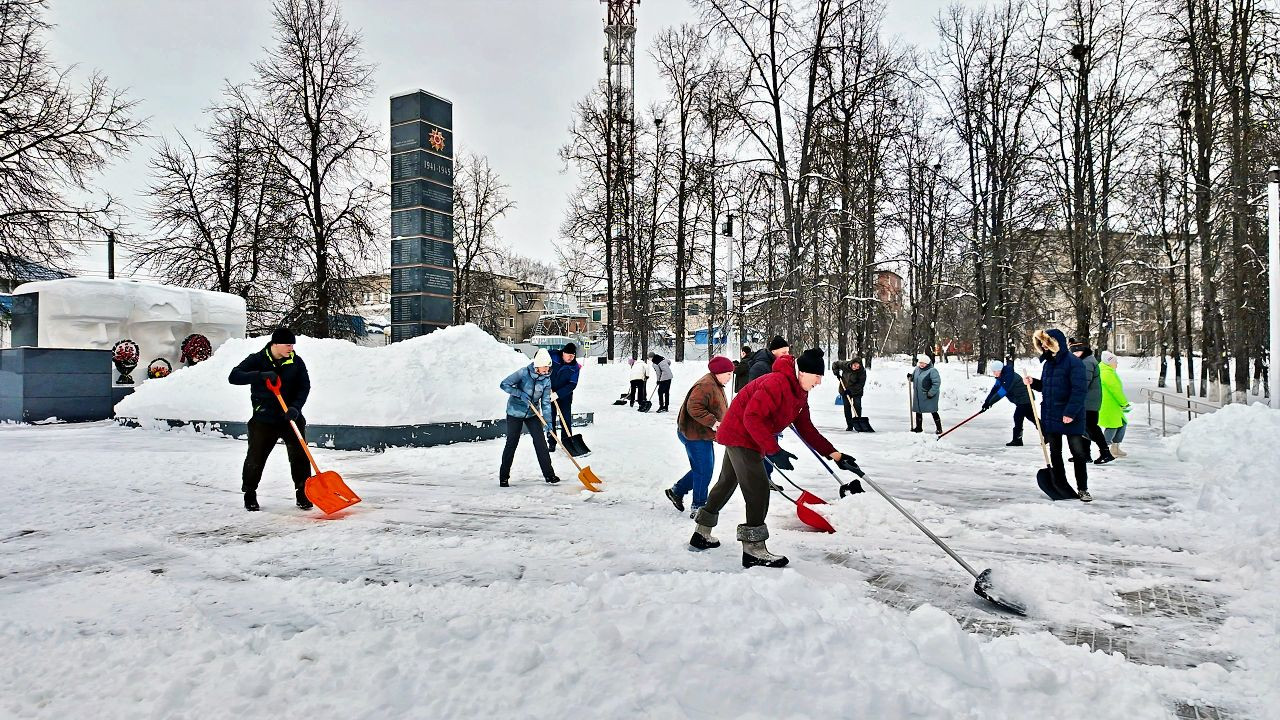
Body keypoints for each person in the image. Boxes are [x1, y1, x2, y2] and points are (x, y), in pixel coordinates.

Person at [689, 348, 858, 568]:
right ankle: (753, 549)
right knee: (758, 489)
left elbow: (807, 428)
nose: (819, 382)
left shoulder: (799, 392)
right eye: (817, 376)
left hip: (745, 436)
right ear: (802, 372)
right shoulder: (776, 383)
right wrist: (774, 450)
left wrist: (835, 455)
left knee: (727, 482)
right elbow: (752, 417)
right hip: (741, 436)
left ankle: (701, 532)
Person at [227, 328, 313, 511]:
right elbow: (234, 376)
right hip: (264, 419)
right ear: (275, 344)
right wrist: (260, 375)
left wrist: (295, 408)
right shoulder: (257, 359)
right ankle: (250, 493)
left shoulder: (296, 362)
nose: (291, 348)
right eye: (288, 345)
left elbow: (304, 386)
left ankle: (303, 493)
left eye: (292, 345)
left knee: (300, 457)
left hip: (290, 418)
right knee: (256, 457)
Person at [1024, 329, 1092, 501]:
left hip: (1071, 416)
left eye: (1047, 343)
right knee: (1055, 452)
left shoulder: (1074, 363)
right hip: (1051, 414)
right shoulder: (1048, 364)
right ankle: (1060, 484)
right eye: (1042, 344)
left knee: (1078, 453)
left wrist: (1070, 412)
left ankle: (1083, 489)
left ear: (1056, 343)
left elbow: (1079, 391)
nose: (1044, 346)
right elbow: (1046, 387)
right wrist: (1033, 383)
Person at [665, 356, 733, 517]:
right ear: (718, 372)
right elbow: (694, 407)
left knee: (703, 469)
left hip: (701, 434)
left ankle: (677, 491)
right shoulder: (705, 385)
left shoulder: (715, 384)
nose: (730, 377)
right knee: (704, 470)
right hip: (694, 434)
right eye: (728, 373)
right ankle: (699, 506)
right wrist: (714, 422)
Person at [498, 349, 561, 487]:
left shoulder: (546, 379)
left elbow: (545, 402)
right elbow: (504, 384)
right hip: (515, 412)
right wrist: (519, 393)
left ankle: (549, 475)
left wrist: (548, 422)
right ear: (537, 365)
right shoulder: (523, 373)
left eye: (548, 367)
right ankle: (504, 476)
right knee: (512, 442)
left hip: (533, 414)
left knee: (541, 443)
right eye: (544, 367)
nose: (547, 370)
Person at [1069, 337, 1115, 464]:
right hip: (1087, 401)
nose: (1075, 354)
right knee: (1084, 428)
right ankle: (1085, 455)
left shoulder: (1086, 363)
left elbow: (1083, 383)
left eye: (1078, 351)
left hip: (1088, 402)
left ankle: (1105, 453)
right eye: (1073, 352)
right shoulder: (1084, 360)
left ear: (1083, 350)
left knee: (1091, 428)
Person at [980, 360, 1033, 446]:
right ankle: (1047, 434)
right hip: (1021, 400)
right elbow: (994, 390)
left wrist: (990, 403)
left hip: (1024, 399)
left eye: (995, 371)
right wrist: (986, 403)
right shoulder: (1001, 378)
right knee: (1031, 417)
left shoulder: (1009, 377)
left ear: (999, 370)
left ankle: (1017, 440)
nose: (994, 373)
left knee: (1018, 417)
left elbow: (1002, 392)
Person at [1098, 350, 1131, 459]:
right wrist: (1124, 403)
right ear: (1109, 362)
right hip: (1109, 404)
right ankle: (1105, 450)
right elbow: (1116, 390)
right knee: (1112, 426)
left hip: (1112, 404)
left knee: (1122, 423)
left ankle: (1115, 448)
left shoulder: (1106, 370)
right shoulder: (1107, 373)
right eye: (1115, 362)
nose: (1117, 364)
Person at [548, 342, 581, 451]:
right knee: (550, 419)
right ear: (563, 353)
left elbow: (572, 384)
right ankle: (552, 442)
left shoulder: (575, 367)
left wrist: (557, 394)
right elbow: (540, 356)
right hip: (549, 393)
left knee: (566, 419)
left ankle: (567, 442)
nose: (571, 358)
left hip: (565, 396)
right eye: (569, 355)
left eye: (573, 355)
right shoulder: (553, 356)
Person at [909, 355, 943, 434]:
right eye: (920, 363)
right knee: (918, 411)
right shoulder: (917, 369)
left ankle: (939, 428)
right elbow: (914, 378)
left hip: (929, 395)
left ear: (927, 363)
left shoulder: (932, 371)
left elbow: (936, 383)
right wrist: (911, 377)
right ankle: (919, 428)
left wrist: (931, 393)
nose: (921, 364)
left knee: (933, 411)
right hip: (919, 395)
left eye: (923, 363)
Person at [831, 357, 867, 431]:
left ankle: (858, 422)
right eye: (855, 366)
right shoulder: (845, 365)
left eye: (858, 367)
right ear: (851, 363)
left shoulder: (862, 371)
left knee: (857, 406)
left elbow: (860, 384)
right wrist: (836, 373)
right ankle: (850, 425)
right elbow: (835, 364)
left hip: (857, 391)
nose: (856, 368)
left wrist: (850, 390)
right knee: (847, 407)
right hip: (844, 389)